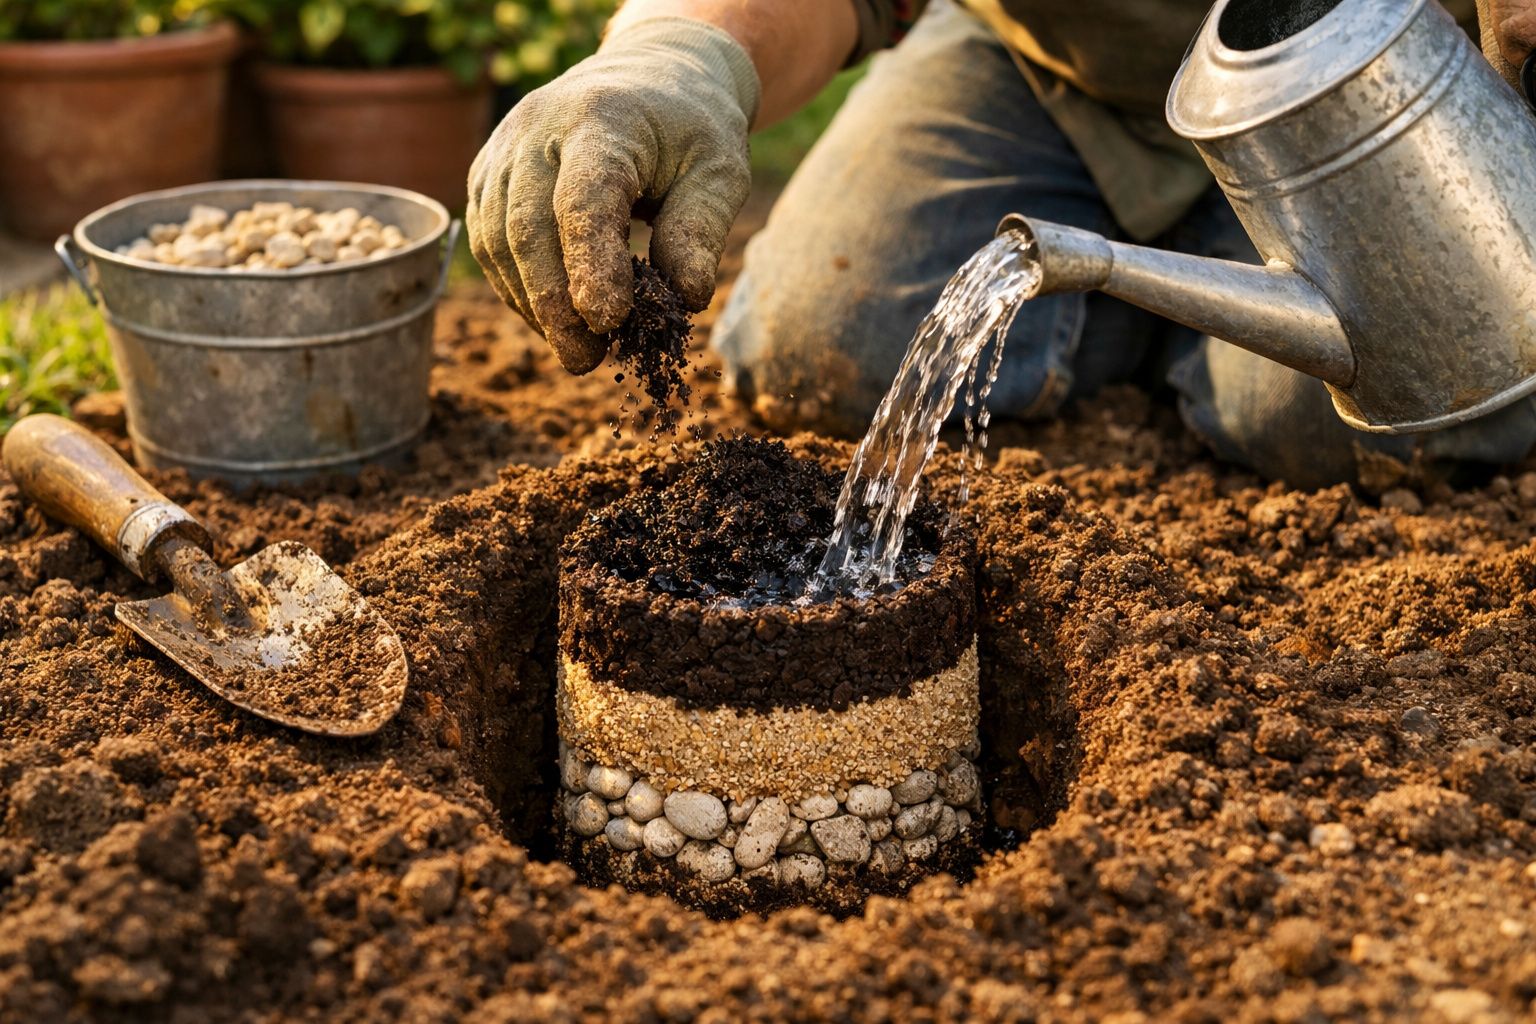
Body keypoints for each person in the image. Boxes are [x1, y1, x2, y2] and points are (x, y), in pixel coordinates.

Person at [468, 0, 1536, 490]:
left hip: (1382, 102)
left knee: (1422, 413)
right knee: (816, 341)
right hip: (1049, 67)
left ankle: (1157, 313)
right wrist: (676, 58)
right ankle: (1130, 295)